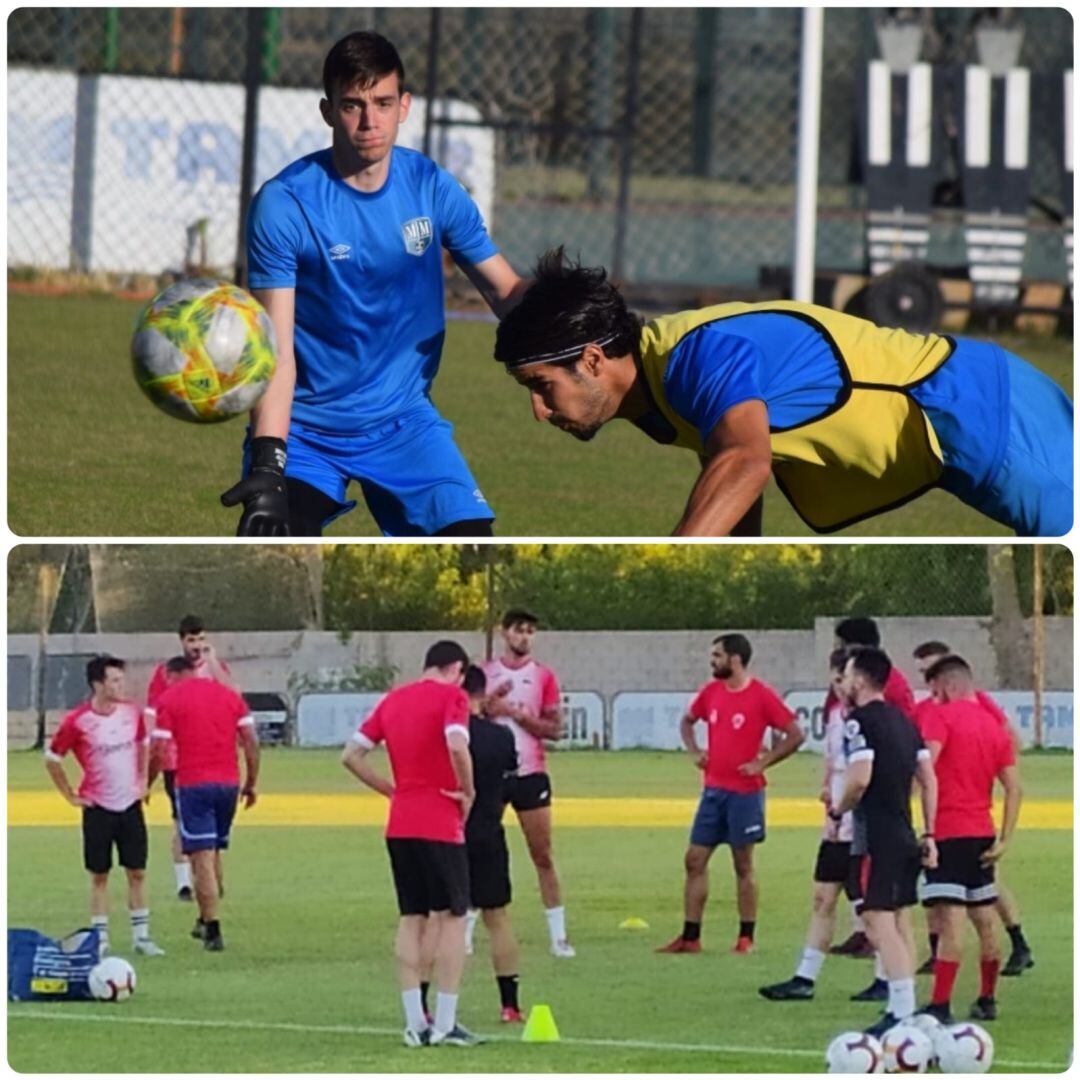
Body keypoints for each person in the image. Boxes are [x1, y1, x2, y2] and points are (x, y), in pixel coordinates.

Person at [492, 248, 1073, 537]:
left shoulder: (695, 356)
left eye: (542, 387)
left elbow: (746, 460)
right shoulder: (655, 384)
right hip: (964, 423)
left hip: (977, 410)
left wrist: (675, 560)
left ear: (593, 360)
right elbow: (729, 466)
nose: (539, 412)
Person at [222, 30, 529, 537]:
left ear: (404, 105)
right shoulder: (285, 204)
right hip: (307, 432)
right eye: (353, 105)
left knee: (472, 550)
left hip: (406, 424)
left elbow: (505, 292)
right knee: (275, 543)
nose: (370, 121)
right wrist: (268, 464)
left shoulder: (431, 188)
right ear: (327, 111)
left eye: (383, 103)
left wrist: (576, 321)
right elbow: (274, 351)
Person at [341, 641, 482, 1048]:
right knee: (454, 917)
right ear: (456, 668)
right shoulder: (452, 697)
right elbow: (457, 744)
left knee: (411, 916)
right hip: (440, 820)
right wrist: (467, 791)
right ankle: (446, 1021)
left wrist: (391, 790)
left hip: (400, 822)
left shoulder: (393, 700)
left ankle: (414, 1022)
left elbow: (351, 756)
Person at [658, 633, 804, 955]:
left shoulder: (762, 695)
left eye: (717, 655)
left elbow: (796, 734)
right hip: (713, 791)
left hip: (745, 795)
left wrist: (764, 762)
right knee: (694, 860)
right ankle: (690, 937)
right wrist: (695, 750)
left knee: (743, 865)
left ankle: (745, 937)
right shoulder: (710, 692)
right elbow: (687, 721)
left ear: (735, 659)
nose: (712, 661)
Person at [830, 647, 938, 1039]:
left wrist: (839, 810)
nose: (843, 681)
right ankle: (902, 1005)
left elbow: (859, 777)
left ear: (860, 679)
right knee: (898, 918)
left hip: (879, 836)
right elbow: (929, 778)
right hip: (906, 832)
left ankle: (903, 1011)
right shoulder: (905, 721)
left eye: (847, 674)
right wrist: (930, 832)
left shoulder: (859, 722)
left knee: (877, 919)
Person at [912, 641, 1033, 977]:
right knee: (981, 913)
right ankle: (986, 995)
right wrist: (1006, 838)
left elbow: (926, 766)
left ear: (949, 680)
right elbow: (1014, 784)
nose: (928, 685)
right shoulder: (974, 720)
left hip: (949, 827)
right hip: (983, 827)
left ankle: (941, 998)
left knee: (952, 914)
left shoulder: (947, 713)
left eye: (931, 676)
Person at [44, 656, 164, 960]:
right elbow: (53, 757)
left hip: (130, 805)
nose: (120, 685)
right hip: (98, 807)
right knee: (100, 874)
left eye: (121, 680)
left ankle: (142, 936)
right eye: (114, 680)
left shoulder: (131, 713)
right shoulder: (78, 720)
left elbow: (142, 744)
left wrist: (141, 781)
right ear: (97, 684)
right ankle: (100, 938)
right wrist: (70, 795)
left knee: (137, 871)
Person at [759, 649, 862, 1001]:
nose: (838, 687)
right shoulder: (835, 714)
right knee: (822, 897)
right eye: (834, 680)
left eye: (843, 679)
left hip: (860, 823)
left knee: (872, 908)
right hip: (834, 822)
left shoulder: (872, 719)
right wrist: (826, 791)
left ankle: (890, 980)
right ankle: (805, 977)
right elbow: (834, 761)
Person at [149, 656, 260, 952]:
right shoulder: (228, 696)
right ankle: (204, 916)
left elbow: (159, 748)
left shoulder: (170, 698)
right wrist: (251, 781)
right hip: (228, 783)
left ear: (173, 675)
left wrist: (146, 782)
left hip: (193, 784)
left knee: (201, 857)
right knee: (214, 852)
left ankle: (212, 928)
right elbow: (250, 740)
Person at [481, 609, 573, 957]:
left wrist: (516, 713)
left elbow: (554, 730)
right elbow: (470, 715)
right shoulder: (485, 672)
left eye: (531, 631)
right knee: (480, 851)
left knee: (543, 854)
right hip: (490, 773)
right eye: (519, 630)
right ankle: (465, 933)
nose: (525, 637)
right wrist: (489, 707)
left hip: (530, 773)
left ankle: (558, 936)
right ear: (504, 633)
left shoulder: (544, 677)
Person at [828, 617, 915, 963]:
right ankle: (896, 989)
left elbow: (865, 771)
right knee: (882, 897)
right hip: (886, 807)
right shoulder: (878, 700)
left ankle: (895, 992)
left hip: (877, 804)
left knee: (884, 907)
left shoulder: (875, 706)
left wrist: (839, 806)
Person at [145, 614, 235, 902]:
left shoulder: (215, 668)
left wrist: (212, 663)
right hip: (177, 759)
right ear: (181, 641)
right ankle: (184, 883)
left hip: (216, 759)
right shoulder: (167, 673)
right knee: (181, 822)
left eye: (200, 639)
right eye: (191, 640)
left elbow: (233, 697)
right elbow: (156, 710)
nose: (197, 645)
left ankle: (213, 883)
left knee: (214, 835)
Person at [461, 665, 525, 1022]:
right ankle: (510, 1005)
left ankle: (427, 1005)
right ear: (482, 694)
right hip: (487, 831)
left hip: (446, 833)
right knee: (497, 917)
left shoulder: (444, 734)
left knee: (436, 920)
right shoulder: (500, 737)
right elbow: (509, 788)